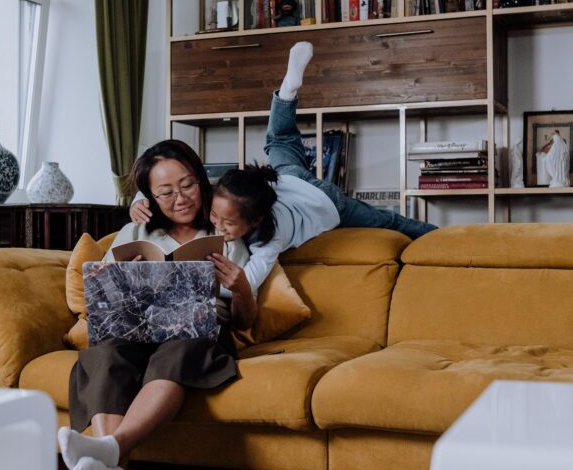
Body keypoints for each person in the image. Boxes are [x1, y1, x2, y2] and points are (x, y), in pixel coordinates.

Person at [131, 42, 437, 290]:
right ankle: (287, 91)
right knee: (278, 140)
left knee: (389, 222)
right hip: (287, 179)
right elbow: (171, 188)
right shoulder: (223, 199)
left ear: (254, 221)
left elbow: (248, 282)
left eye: (228, 224)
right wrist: (140, 199)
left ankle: (442, 236)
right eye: (216, 218)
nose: (218, 226)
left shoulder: (269, 238)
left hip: (328, 202)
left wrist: (207, 284)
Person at [58, 140, 256, 470]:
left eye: (188, 185)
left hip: (197, 331)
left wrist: (240, 286)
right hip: (137, 327)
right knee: (105, 353)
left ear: (201, 180)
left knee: (179, 347)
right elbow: (101, 294)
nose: (181, 198)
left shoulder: (227, 235)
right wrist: (121, 275)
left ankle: (111, 450)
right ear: (148, 196)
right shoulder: (135, 231)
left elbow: (245, 321)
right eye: (166, 192)